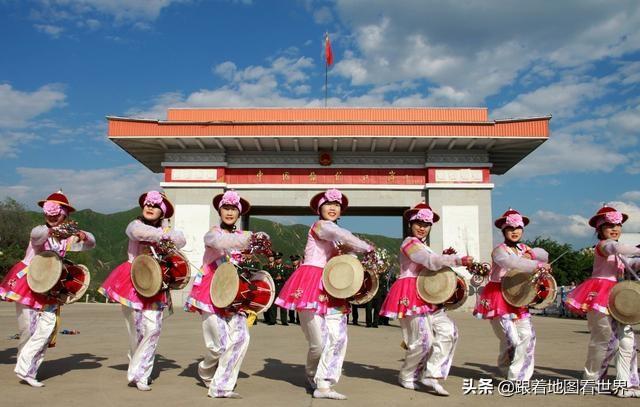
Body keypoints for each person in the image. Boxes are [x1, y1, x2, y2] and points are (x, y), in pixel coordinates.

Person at [275, 188, 373, 400]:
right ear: (319, 209)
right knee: (318, 343)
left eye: (337, 205)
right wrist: (365, 247)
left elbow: (345, 248)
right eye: (328, 204)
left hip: (333, 286)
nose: (333, 208)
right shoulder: (320, 226)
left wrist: (356, 252)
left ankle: (325, 384)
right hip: (311, 282)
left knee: (337, 338)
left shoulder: (337, 236)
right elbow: (340, 234)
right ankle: (312, 374)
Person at [0, 191, 95, 388]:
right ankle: (27, 368)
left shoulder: (67, 238)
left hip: (51, 285)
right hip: (29, 281)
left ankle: (26, 367)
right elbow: (36, 238)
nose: (52, 215)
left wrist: (82, 234)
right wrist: (54, 231)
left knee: (48, 327)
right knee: (28, 328)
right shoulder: (40, 230)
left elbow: (90, 244)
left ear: (66, 213)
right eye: (48, 211)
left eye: (57, 211)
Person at [380, 203, 472, 395]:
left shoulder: (424, 246)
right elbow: (429, 262)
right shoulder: (409, 243)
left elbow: (434, 263)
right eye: (418, 223)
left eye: (426, 224)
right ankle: (407, 375)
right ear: (410, 224)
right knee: (423, 340)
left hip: (428, 294)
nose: (422, 227)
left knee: (449, 331)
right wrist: (457, 260)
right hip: (410, 292)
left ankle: (431, 375)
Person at [184, 190, 269, 398]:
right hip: (210, 290)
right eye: (226, 208)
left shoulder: (243, 236)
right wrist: (251, 239)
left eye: (234, 209)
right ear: (220, 211)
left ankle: (222, 386)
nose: (230, 212)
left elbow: (259, 243)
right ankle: (205, 370)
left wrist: (261, 240)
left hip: (235, 293)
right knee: (219, 345)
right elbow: (222, 243)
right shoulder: (212, 234)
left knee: (241, 338)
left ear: (239, 214)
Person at [99, 190, 185, 391]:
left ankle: (141, 374)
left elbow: (181, 240)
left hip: (156, 282)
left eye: (155, 206)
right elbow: (137, 233)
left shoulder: (168, 231)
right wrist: (164, 235)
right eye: (147, 204)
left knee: (153, 329)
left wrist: (167, 233)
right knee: (136, 330)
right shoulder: (135, 225)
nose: (149, 207)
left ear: (162, 213)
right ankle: (136, 366)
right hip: (133, 279)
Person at [565, 206, 640, 398]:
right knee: (604, 340)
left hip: (619, 296)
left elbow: (631, 263)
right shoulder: (604, 246)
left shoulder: (620, 250)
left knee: (627, 341)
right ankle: (592, 378)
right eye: (609, 225)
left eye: (617, 225)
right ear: (600, 230)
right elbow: (614, 248)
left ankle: (626, 384)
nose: (614, 228)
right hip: (599, 295)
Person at [473, 208, 550, 383]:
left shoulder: (524, 248)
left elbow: (544, 254)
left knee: (528, 337)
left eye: (518, 228)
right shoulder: (499, 251)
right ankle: (504, 368)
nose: (514, 232)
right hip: (498, 297)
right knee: (511, 339)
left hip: (518, 297)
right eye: (510, 228)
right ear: (503, 231)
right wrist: (536, 265)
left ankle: (518, 377)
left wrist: (533, 253)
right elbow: (512, 262)